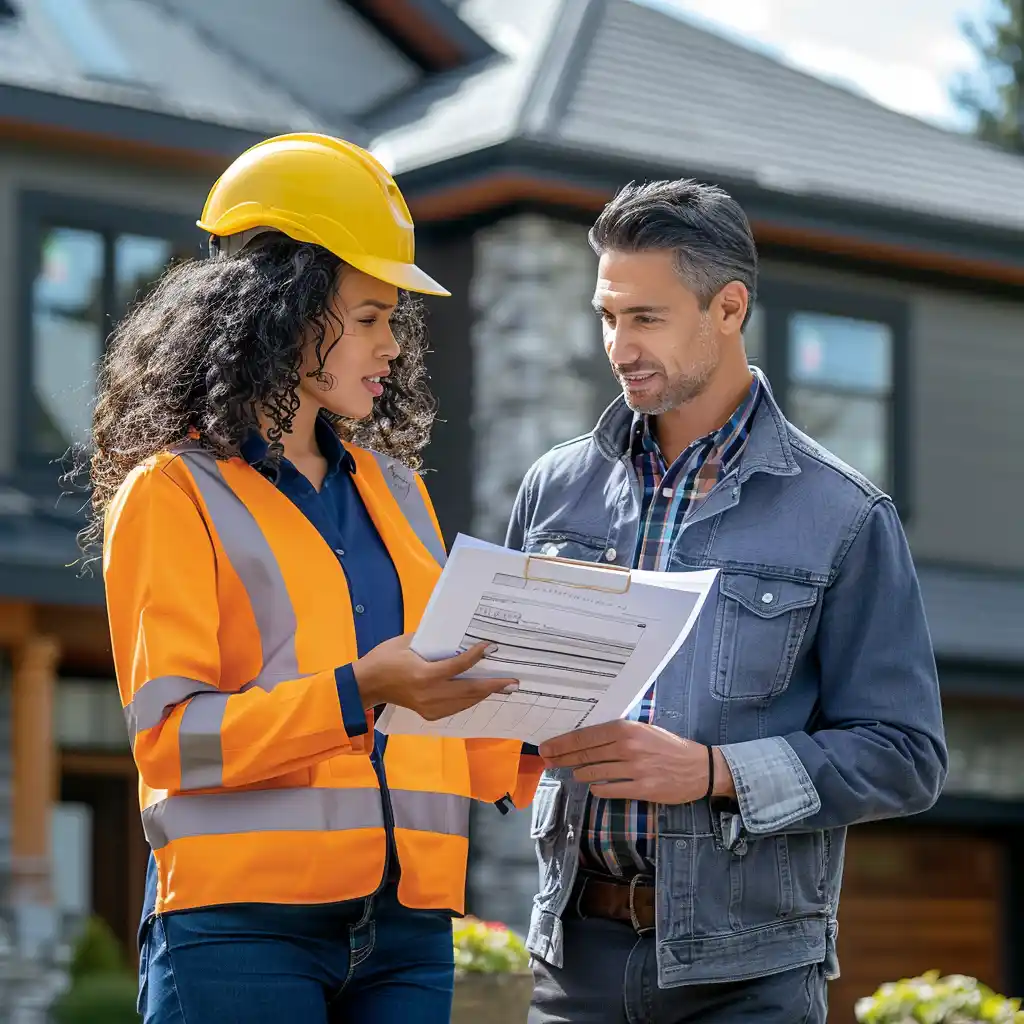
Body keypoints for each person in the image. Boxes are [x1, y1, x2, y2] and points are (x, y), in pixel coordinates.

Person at [87, 133, 542, 1024]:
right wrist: (358, 692)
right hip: (240, 933)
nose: (392, 348)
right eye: (370, 318)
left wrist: (544, 740)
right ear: (282, 313)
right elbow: (173, 742)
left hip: (407, 929)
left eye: (393, 322)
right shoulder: (173, 493)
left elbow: (437, 712)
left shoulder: (399, 493)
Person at [505, 179, 948, 1023]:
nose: (618, 345)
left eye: (646, 318)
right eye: (608, 316)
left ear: (729, 308)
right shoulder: (555, 490)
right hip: (572, 962)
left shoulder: (845, 515)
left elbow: (904, 754)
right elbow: (512, 706)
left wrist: (712, 773)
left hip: (749, 978)